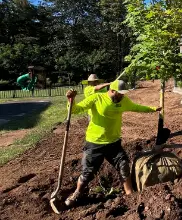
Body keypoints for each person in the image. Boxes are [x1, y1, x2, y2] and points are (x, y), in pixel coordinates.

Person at [64, 79, 162, 208]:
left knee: (123, 164)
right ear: (112, 90)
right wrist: (71, 100)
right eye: (120, 93)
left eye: (123, 93)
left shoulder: (123, 101)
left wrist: (153, 109)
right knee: (88, 173)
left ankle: (130, 194)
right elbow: (76, 110)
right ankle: (77, 193)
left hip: (114, 143)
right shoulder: (96, 98)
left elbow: (136, 107)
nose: (122, 95)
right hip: (95, 143)